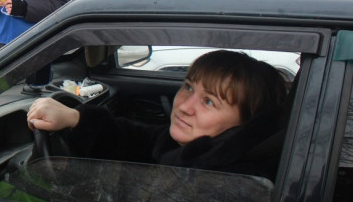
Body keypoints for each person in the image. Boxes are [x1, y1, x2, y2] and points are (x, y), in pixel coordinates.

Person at [27, 50, 289, 180]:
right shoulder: (199, 152)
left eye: (209, 101)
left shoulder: (223, 185)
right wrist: (76, 119)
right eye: (188, 87)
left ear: (244, 124)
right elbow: (142, 139)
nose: (185, 105)